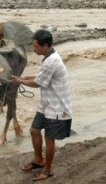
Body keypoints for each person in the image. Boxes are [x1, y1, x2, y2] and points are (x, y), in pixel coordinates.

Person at [11, 29, 72, 182]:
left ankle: (48, 169)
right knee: (34, 130)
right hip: (46, 103)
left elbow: (38, 83)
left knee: (49, 138)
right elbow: (41, 76)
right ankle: (38, 160)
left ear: (46, 45)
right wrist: (25, 77)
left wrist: (19, 81)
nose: (34, 49)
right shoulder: (49, 57)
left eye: (36, 46)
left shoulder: (52, 61)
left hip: (57, 106)